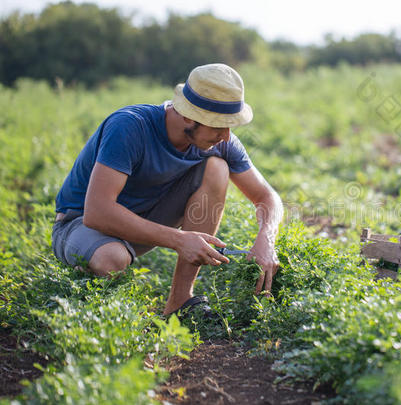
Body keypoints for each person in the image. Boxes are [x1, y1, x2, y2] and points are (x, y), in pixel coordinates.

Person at [51, 63, 283, 317]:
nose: (226, 136)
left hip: (143, 221)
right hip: (82, 223)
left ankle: (180, 302)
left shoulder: (220, 142)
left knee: (217, 167)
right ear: (187, 116)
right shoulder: (130, 127)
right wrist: (178, 240)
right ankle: (93, 310)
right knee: (112, 259)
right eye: (218, 126)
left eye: (230, 126)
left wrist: (266, 239)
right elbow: (97, 213)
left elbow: (267, 196)